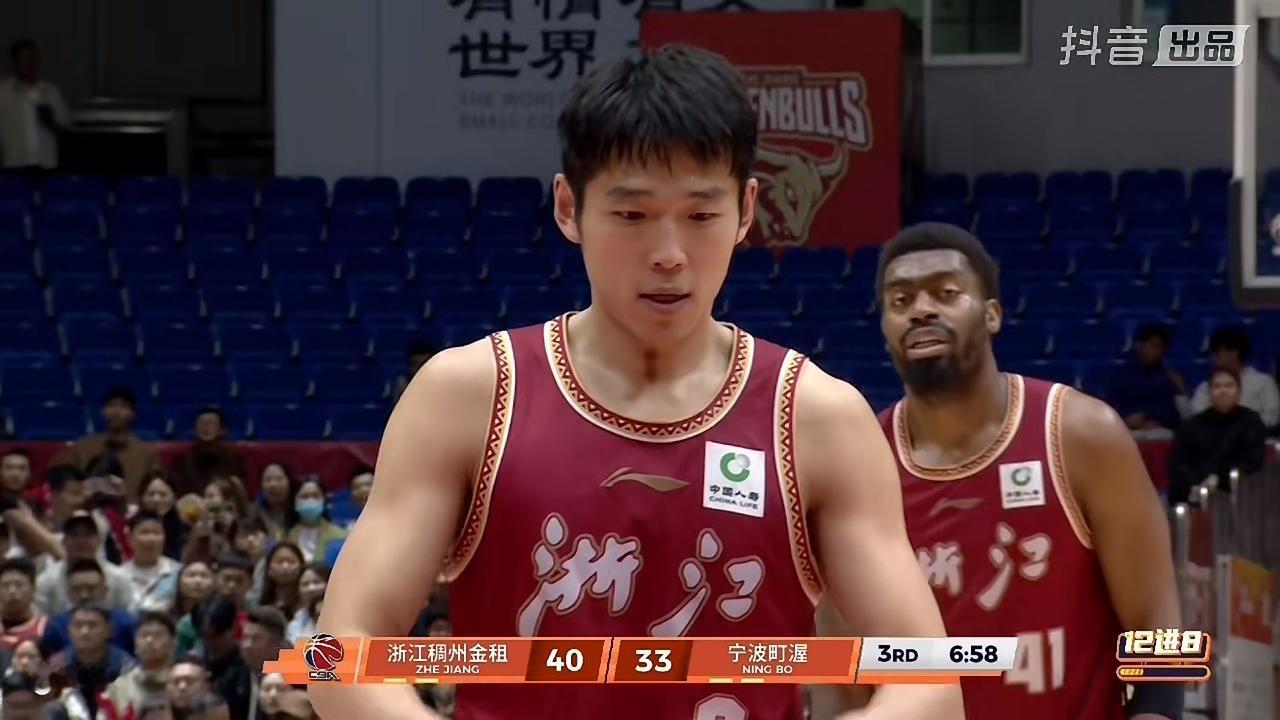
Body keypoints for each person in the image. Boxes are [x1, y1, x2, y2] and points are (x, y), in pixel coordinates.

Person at [314, 46, 960, 720]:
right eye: (632, 215)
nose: (669, 254)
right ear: (569, 207)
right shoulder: (466, 398)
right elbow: (336, 653)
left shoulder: (816, 418)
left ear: (745, 210)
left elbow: (931, 681)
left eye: (701, 216)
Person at [868, 223, 1181, 719]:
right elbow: (842, 658)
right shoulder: (863, 461)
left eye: (946, 293)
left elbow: (1160, 625)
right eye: (900, 300)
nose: (921, 310)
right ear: (885, 329)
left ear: (992, 314)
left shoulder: (1082, 434)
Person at [1167, 367, 1268, 504]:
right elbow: (1179, 465)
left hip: (1239, 494)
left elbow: (1252, 463)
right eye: (1217, 386)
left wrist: (1218, 480)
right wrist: (1198, 483)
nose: (1223, 391)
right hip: (1196, 492)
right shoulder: (1190, 426)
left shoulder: (1251, 422)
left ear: (1239, 392)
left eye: (1229, 386)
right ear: (1209, 392)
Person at [55, 389, 164, 501]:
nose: (116, 411)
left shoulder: (146, 452)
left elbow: (157, 485)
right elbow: (60, 476)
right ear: (103, 412)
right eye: (111, 405)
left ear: (133, 414)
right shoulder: (82, 447)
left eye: (123, 406)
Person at [1187, 326, 1280, 430]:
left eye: (1217, 352)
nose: (1213, 357)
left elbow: (1273, 417)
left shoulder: (1263, 382)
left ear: (1234, 353)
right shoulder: (1205, 387)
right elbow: (1196, 415)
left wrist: (1242, 427)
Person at [1103, 322, 1185, 436]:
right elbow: (1110, 406)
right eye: (1153, 346)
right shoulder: (1121, 375)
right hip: (1126, 427)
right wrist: (1126, 420)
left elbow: (1172, 411)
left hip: (1158, 430)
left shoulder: (1168, 377)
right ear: (1139, 345)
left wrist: (1156, 421)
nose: (1157, 351)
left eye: (1161, 347)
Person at [0, 39, 69, 173]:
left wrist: (51, 122)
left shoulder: (51, 92)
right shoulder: (2, 93)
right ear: (14, 62)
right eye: (24, 59)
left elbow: (66, 129)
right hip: (14, 165)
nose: (30, 63)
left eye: (33, 58)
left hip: (47, 164)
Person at [167, 408, 246, 499]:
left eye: (210, 423)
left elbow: (239, 492)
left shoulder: (234, 459)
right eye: (202, 424)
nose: (205, 427)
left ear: (222, 430)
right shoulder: (181, 461)